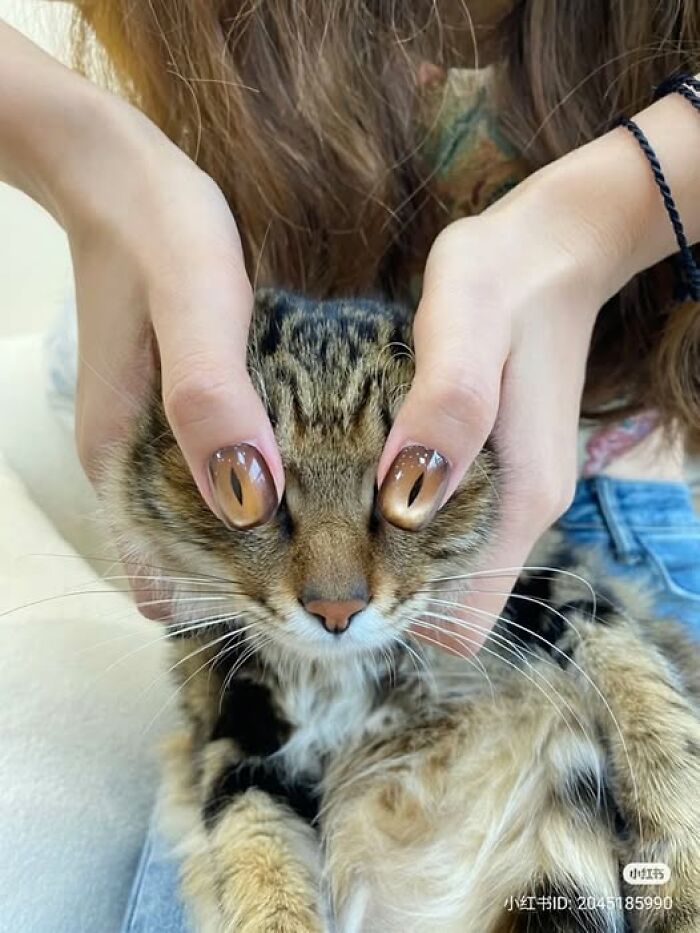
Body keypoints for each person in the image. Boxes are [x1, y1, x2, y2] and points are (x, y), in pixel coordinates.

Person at [1, 3, 699, 930]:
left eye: (393, 493)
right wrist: (83, 148)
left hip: (588, 474)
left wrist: (603, 217)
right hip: (201, 489)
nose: (336, 593)